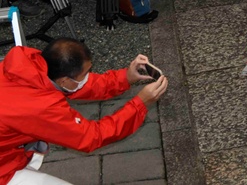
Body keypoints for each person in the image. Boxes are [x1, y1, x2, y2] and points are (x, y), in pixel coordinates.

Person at [0, 38, 167, 185]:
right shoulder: (40, 107)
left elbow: (79, 85)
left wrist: (126, 77)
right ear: (65, 80)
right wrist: (140, 104)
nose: (88, 77)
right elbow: (91, 137)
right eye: (85, 74)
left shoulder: (29, 65)